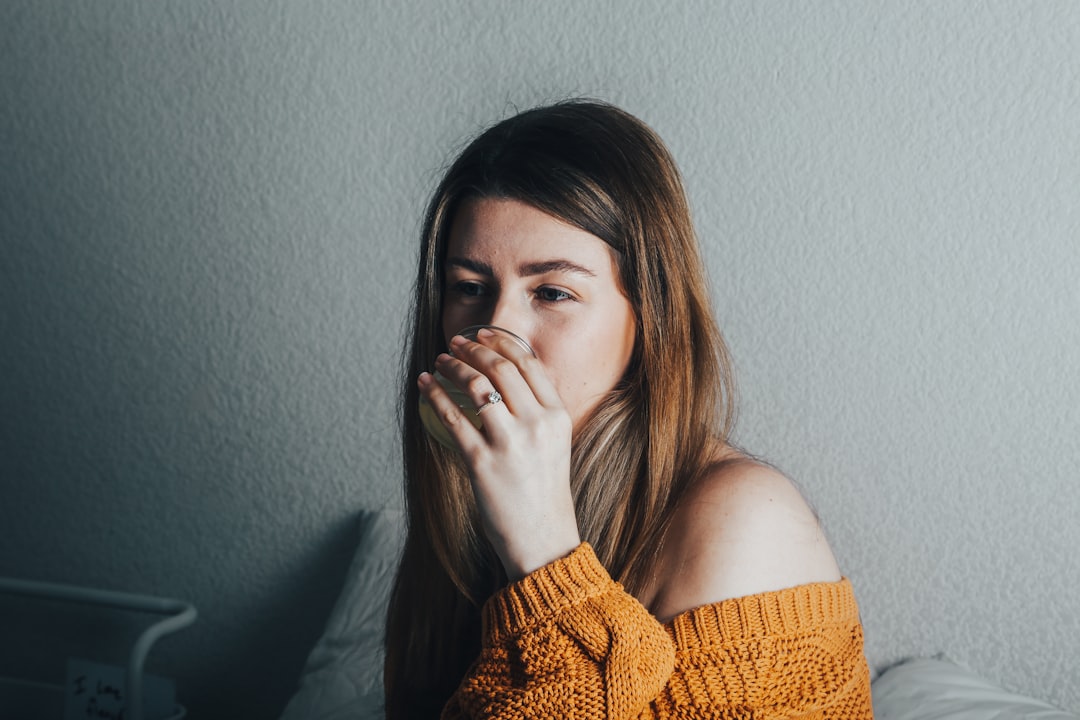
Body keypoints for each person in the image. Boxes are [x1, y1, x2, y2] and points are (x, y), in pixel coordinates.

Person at [384, 99, 872, 719]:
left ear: (649, 315)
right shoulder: (463, 509)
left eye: (553, 292)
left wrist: (543, 557)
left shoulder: (746, 522)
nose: (496, 332)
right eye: (471, 288)